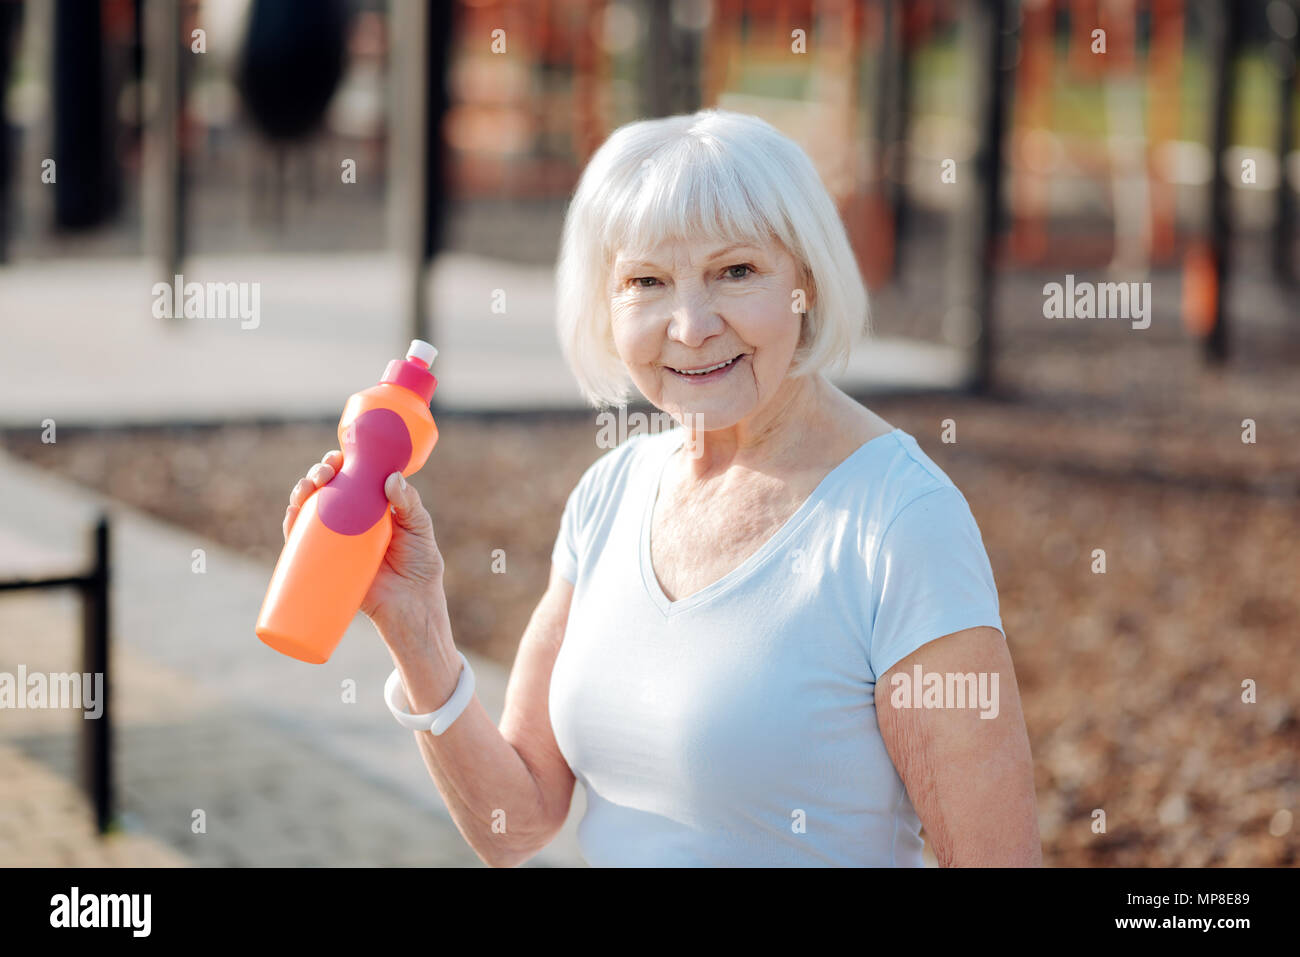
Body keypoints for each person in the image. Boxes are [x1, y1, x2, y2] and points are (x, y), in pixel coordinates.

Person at [284, 109, 1040, 867]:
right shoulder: (610, 493)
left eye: (735, 272)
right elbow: (512, 823)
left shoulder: (902, 522)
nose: (690, 325)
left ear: (805, 282)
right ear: (607, 309)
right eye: (646, 281)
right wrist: (414, 624)